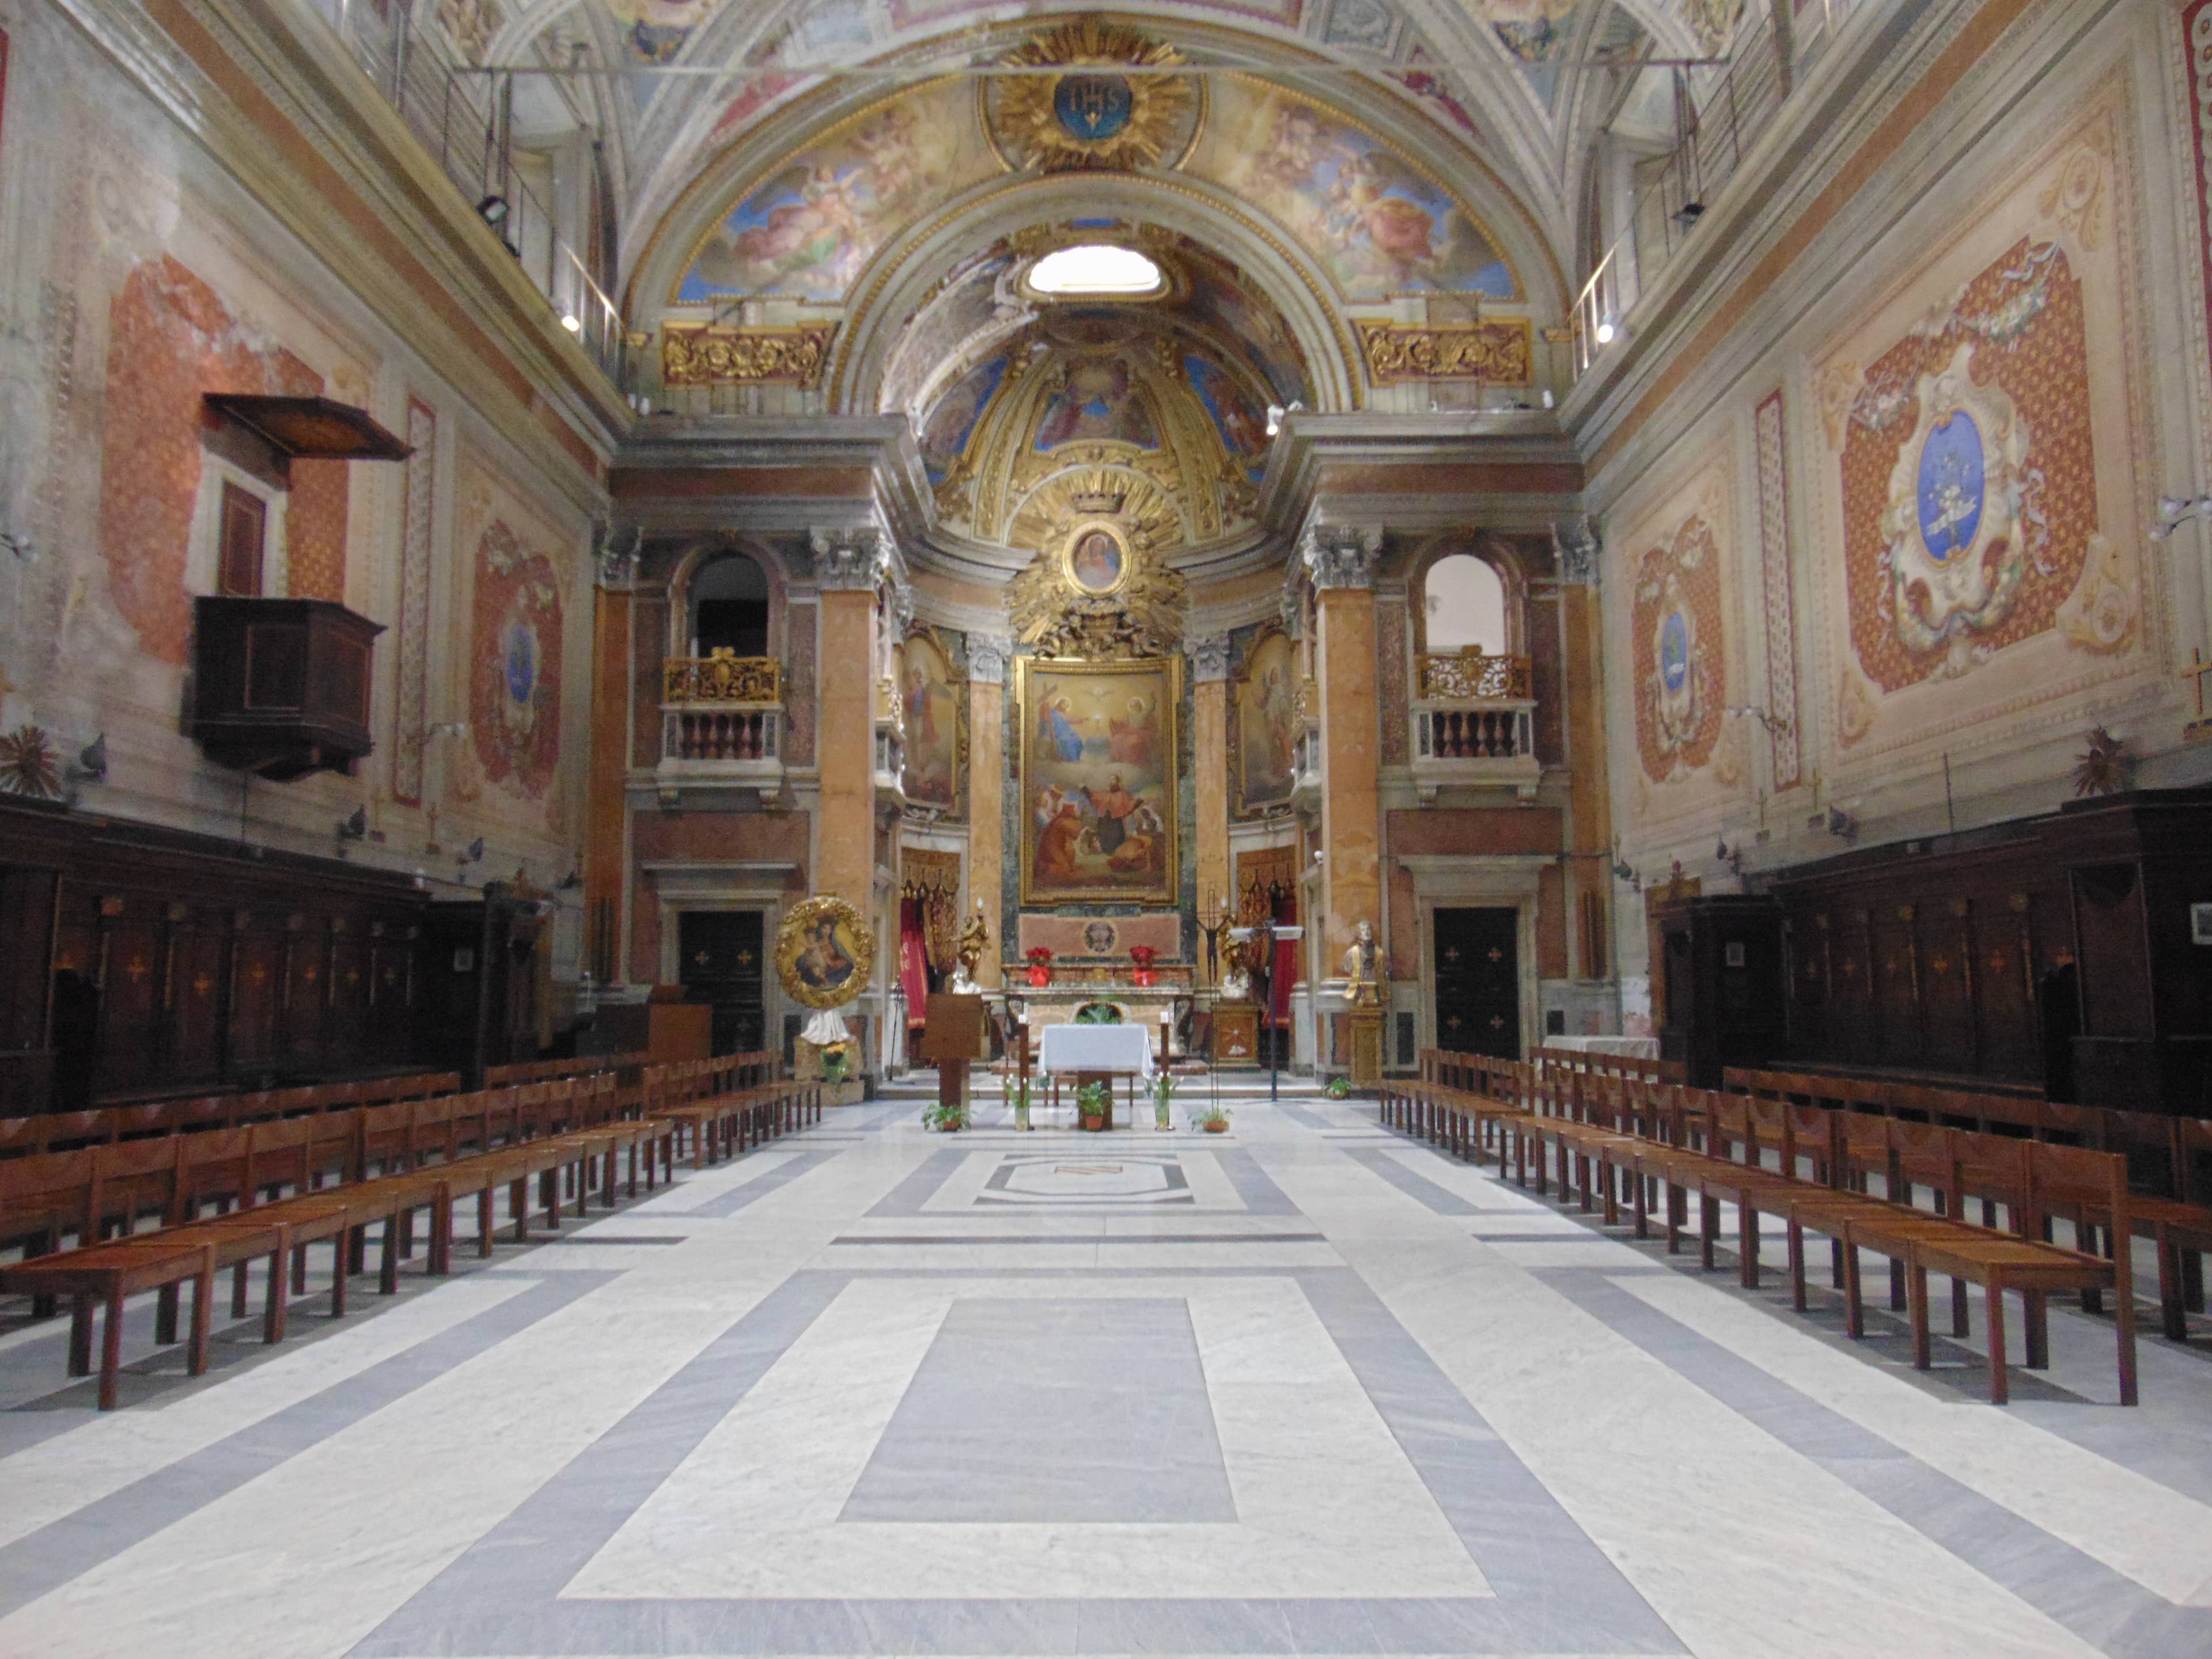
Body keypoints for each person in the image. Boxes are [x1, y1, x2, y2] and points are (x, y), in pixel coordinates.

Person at [1085, 774, 1138, 855]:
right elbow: (1093, 796)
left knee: (1116, 837)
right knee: (1104, 836)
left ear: (1118, 782)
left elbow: (1130, 806)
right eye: (1110, 780)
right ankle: (1106, 851)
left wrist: (1137, 803)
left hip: (1116, 821)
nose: (1111, 782)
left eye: (1113, 780)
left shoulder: (1123, 795)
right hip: (1104, 820)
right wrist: (1085, 790)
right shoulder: (1105, 793)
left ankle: (1117, 852)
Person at [1342, 918, 1385, 1007]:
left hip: (1376, 994)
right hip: (1357, 993)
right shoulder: (1351, 953)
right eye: (1363, 930)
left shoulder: (1379, 953)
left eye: (1368, 929)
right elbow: (1346, 967)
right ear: (1358, 934)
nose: (1367, 932)